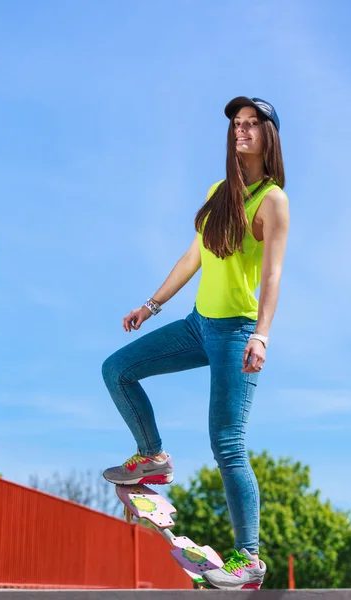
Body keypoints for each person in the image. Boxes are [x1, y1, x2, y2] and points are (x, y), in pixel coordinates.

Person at [102, 96, 289, 590]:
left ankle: (248, 558)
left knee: (228, 445)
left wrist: (262, 336)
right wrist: (151, 304)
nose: (241, 131)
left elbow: (272, 276)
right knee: (117, 370)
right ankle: (152, 457)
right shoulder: (218, 192)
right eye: (236, 125)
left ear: (269, 136)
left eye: (251, 124)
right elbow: (193, 257)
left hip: (237, 334)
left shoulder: (272, 200)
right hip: (196, 324)